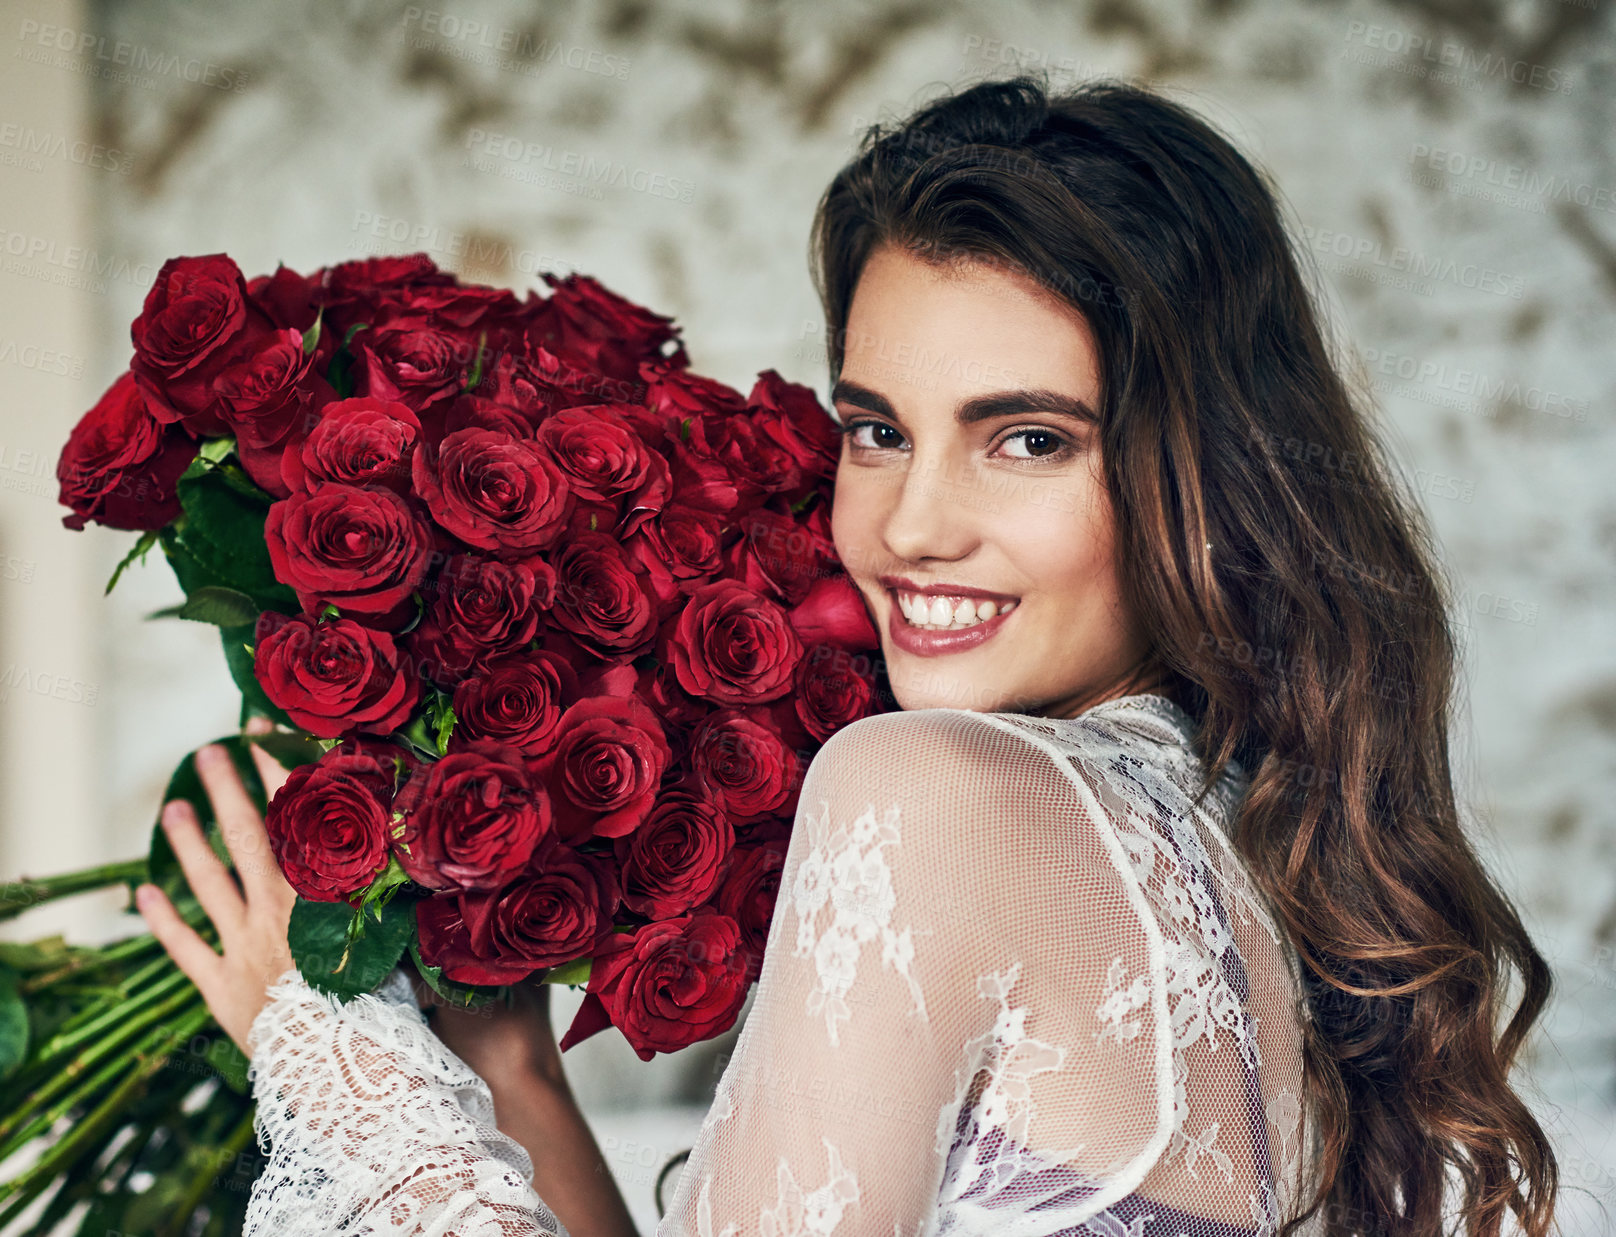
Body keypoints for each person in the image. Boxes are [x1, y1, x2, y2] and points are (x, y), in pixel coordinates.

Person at [135, 74, 1559, 1236]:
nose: (911, 524)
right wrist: (508, 1066)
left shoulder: (932, 791)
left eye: (1029, 439)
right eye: (878, 428)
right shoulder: (1253, 847)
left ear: (1200, 469)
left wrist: (327, 1047)